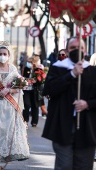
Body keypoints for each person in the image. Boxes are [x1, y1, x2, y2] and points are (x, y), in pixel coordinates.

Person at [42, 36, 96, 170]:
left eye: (80, 48)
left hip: (86, 126)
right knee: (64, 165)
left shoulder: (92, 71)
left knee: (83, 165)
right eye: (73, 48)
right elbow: (49, 90)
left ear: (85, 50)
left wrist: (87, 104)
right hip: (62, 124)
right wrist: (71, 74)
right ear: (67, 50)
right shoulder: (57, 68)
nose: (76, 50)